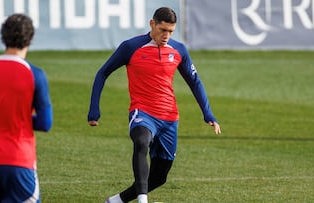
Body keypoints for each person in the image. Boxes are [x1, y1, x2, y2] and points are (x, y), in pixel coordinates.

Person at [88, 7, 221, 203]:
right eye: (162, 30)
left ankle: (115, 201)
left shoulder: (179, 50)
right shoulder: (131, 47)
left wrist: (208, 113)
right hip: (142, 112)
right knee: (141, 142)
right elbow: (102, 73)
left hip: (169, 119)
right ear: (152, 24)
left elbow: (195, 81)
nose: (166, 35)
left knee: (159, 177)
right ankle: (143, 201)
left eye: (170, 31)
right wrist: (94, 110)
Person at [0, 14, 53, 203]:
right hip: (18, 160)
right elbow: (45, 123)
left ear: (3, 36)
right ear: (30, 39)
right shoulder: (35, 74)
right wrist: (20, 118)